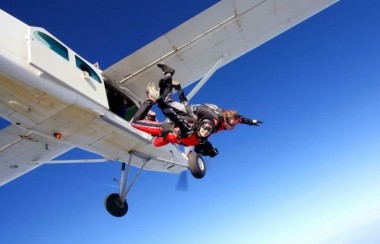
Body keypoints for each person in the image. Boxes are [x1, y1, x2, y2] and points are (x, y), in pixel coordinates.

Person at [130, 99, 219, 157]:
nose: (206, 131)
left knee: (155, 143)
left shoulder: (201, 139)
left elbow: (201, 146)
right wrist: (160, 102)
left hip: (168, 139)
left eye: (209, 130)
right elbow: (174, 117)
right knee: (134, 123)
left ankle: (151, 118)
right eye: (205, 127)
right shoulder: (189, 129)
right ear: (200, 126)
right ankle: (149, 101)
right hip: (164, 129)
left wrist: (210, 151)